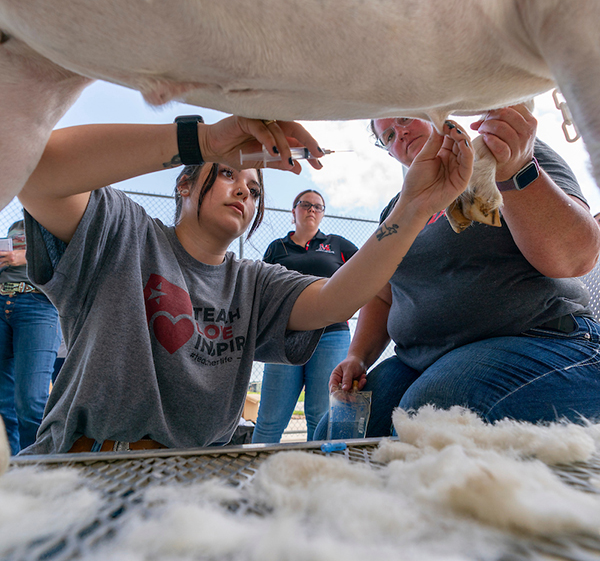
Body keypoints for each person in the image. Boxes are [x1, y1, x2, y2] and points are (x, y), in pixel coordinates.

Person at [16, 114, 473, 454]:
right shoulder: (124, 233)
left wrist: (413, 207)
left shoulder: (254, 283)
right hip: (84, 470)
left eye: (255, 190)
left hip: (196, 483)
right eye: (229, 172)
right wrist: (207, 138)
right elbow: (30, 168)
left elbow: (337, 300)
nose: (243, 191)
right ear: (184, 183)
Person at [315, 104, 600, 440]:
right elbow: (382, 294)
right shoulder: (397, 209)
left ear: (435, 112)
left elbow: (576, 257)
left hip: (545, 339)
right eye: (389, 135)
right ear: (389, 152)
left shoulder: (505, 152)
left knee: (428, 416)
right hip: (421, 361)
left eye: (404, 118)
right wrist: (357, 357)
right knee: (334, 430)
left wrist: (515, 169)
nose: (401, 133)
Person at [252, 190, 358, 442]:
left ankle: (317, 476)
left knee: (320, 414)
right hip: (284, 336)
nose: (311, 209)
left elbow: (367, 272)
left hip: (330, 333)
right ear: (294, 211)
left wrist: (350, 303)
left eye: (318, 206)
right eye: (305, 204)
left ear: (322, 213)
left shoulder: (337, 244)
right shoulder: (277, 248)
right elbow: (262, 289)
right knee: (270, 417)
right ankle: (254, 477)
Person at [0, 218, 61, 454]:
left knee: (31, 401)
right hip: (3, 300)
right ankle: (12, 467)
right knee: (4, 403)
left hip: (38, 304)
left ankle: (42, 464)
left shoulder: (58, 219)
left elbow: (70, 259)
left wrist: (26, 257)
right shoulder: (15, 224)